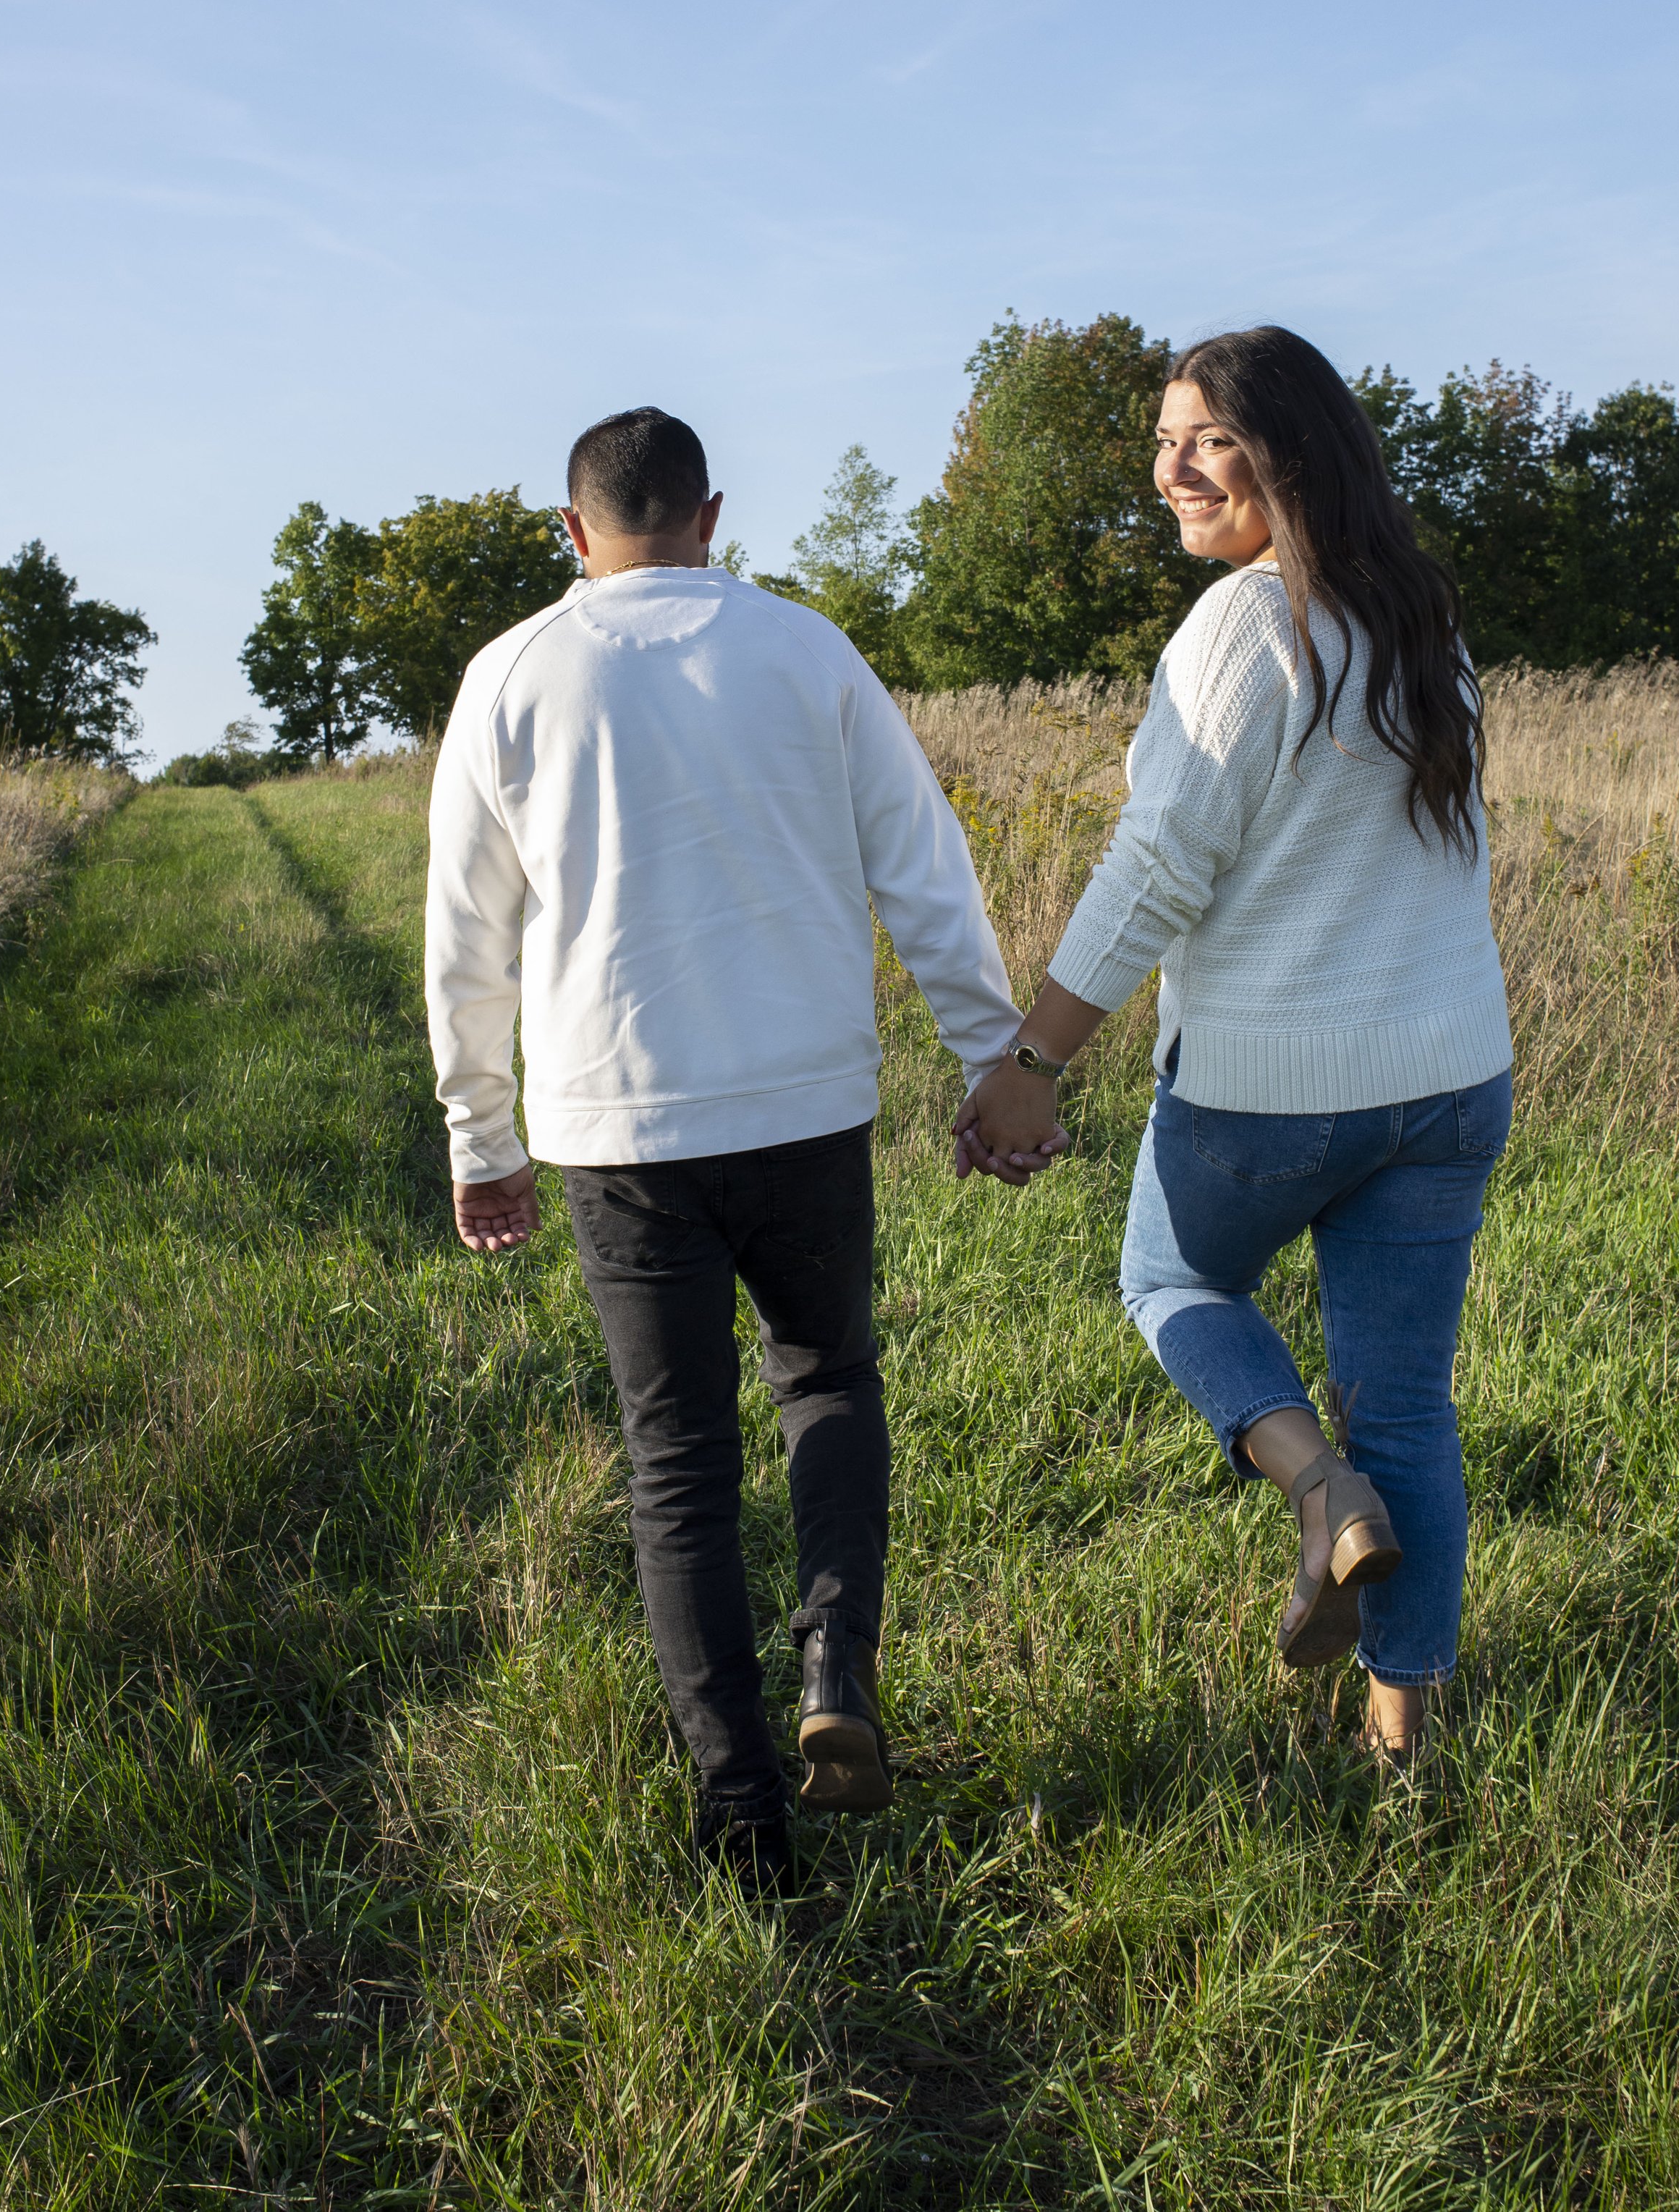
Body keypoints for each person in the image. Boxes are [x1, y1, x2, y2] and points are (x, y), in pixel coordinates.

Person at [425, 409, 1022, 1892]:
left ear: (575, 531)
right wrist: (990, 1056)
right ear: (709, 517)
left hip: (616, 1125)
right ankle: (836, 1664)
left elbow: (466, 939)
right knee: (827, 1382)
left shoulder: (510, 675)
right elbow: (921, 862)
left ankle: (742, 1807)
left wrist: (482, 1135)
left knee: (678, 1462)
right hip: (805, 1103)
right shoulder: (807, 650)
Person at [957, 326, 1513, 1763]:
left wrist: (1032, 1063)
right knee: (1408, 1406)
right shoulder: (1420, 619)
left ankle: (1319, 1489)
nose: (1172, 470)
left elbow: (1156, 867)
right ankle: (1402, 1738)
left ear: (1290, 449)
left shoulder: (1245, 625)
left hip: (1276, 1088)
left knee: (1170, 1276)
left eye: (1207, 438)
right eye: (1164, 442)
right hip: (1451, 1078)